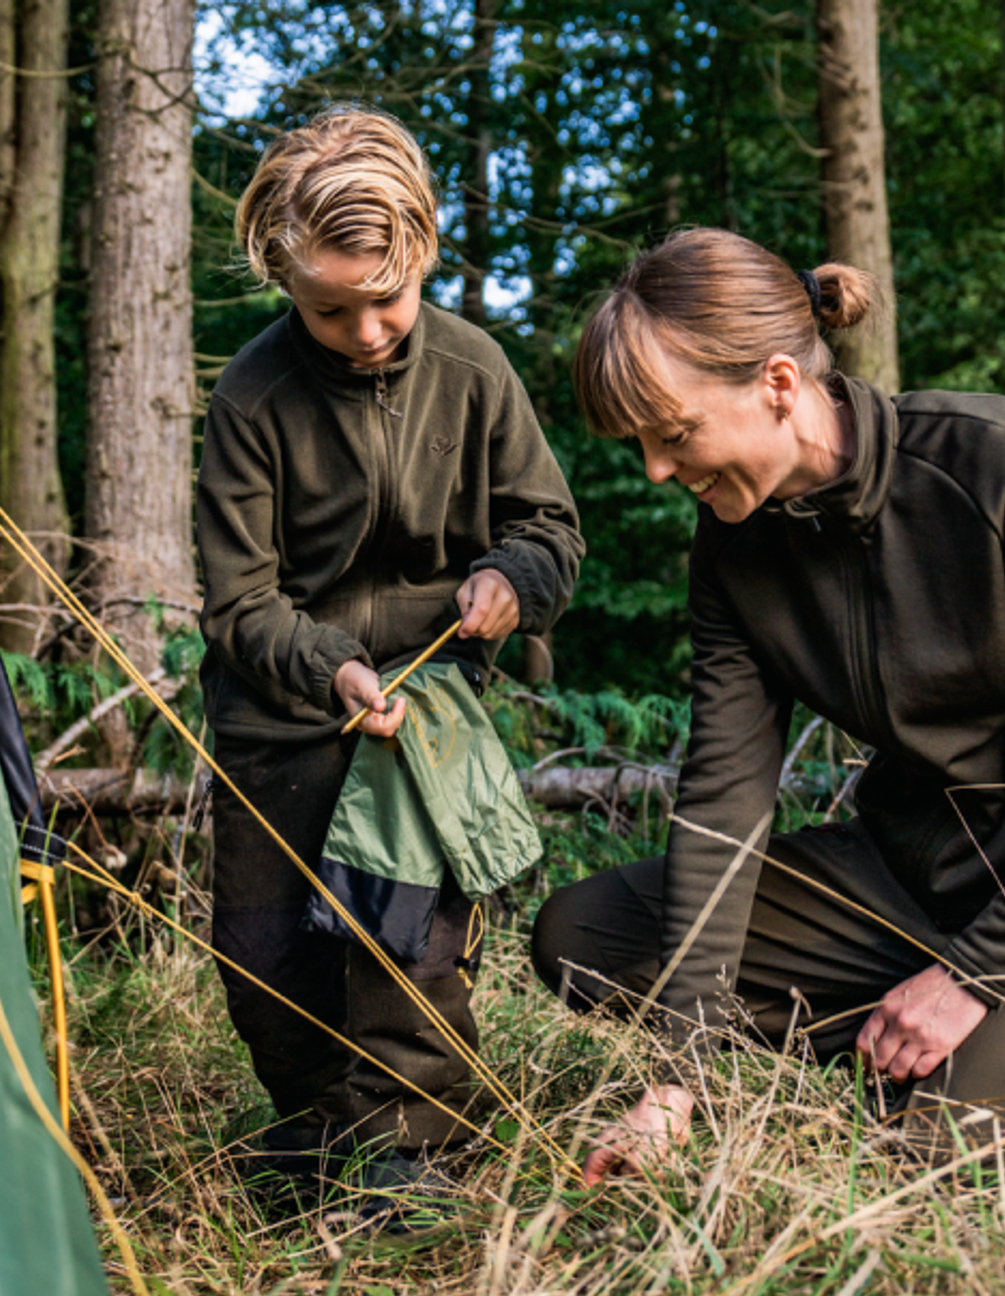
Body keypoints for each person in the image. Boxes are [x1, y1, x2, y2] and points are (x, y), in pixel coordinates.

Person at [532, 228, 1005, 1177]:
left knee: (929, 1157)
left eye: (673, 435)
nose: (654, 468)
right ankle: (909, 1017)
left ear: (776, 382)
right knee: (582, 934)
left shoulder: (995, 462)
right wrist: (677, 1076)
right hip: (904, 888)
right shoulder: (732, 548)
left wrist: (979, 971)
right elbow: (726, 797)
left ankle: (1004, 1029)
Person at [195, 106, 583, 1179]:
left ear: (419, 256)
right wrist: (331, 669)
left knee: (401, 951)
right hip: (280, 714)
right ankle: (328, 1133)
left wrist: (515, 579)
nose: (366, 333)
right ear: (283, 277)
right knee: (265, 965)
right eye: (330, 312)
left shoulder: (472, 368)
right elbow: (236, 602)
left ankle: (418, 1161)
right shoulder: (252, 394)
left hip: (428, 714)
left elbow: (547, 527)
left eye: (387, 301)